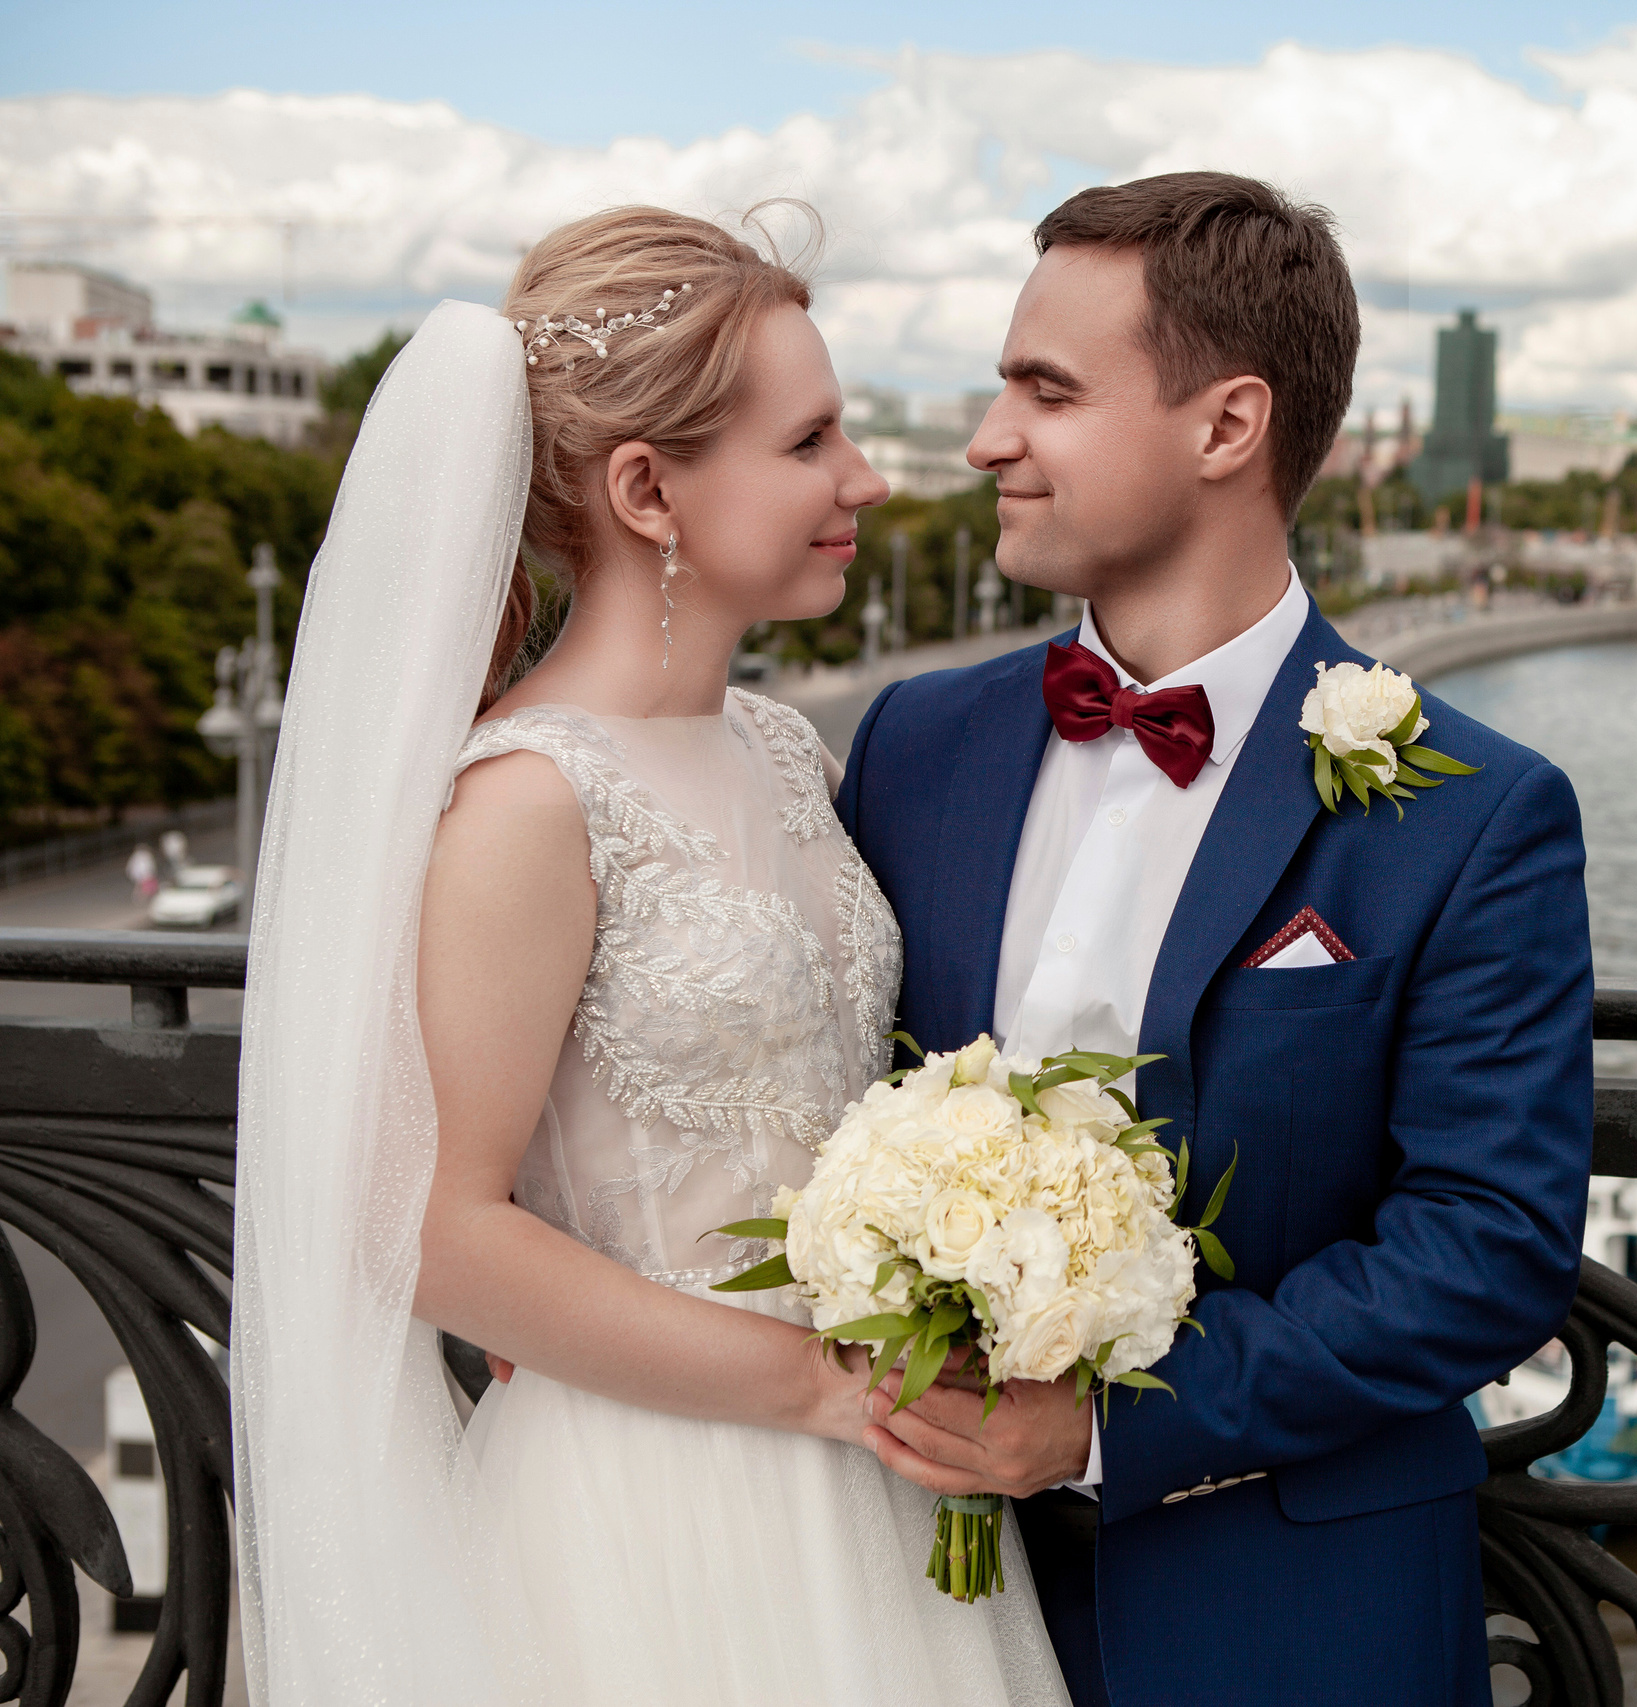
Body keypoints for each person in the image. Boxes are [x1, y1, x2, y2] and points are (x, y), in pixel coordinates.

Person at [232, 206, 1067, 1705]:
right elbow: (428, 1230)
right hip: (658, 1504)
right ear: (647, 488)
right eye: (811, 441)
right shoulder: (531, 802)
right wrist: (816, 1387)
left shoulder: (783, 748)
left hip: (878, 1473)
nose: (864, 481)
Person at [835, 172, 1594, 1707]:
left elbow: (1487, 1245)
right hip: (893, 1591)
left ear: (1227, 426)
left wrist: (1110, 1424)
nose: (989, 440)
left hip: (1288, 1617)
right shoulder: (914, 743)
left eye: (1045, 390)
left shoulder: (1478, 812)